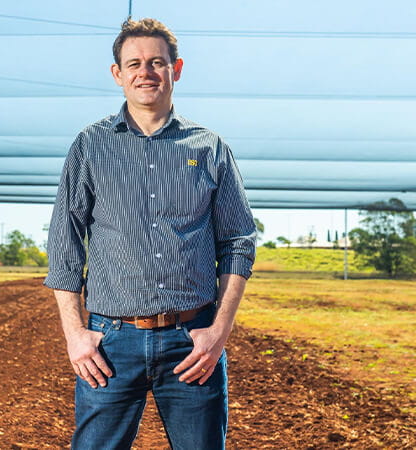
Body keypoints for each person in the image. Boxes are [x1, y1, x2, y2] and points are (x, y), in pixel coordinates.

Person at [44, 17, 256, 449]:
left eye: (157, 62)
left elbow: (238, 242)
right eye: (135, 63)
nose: (146, 72)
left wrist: (218, 332)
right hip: (110, 344)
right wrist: (75, 335)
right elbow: (64, 243)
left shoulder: (209, 148)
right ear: (117, 74)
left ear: (176, 69)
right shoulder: (90, 145)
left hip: (191, 343)